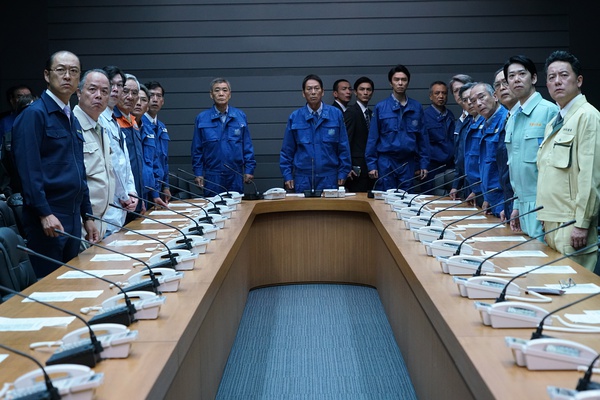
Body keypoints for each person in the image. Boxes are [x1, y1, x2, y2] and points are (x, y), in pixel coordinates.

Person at [12, 50, 99, 277]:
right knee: (50, 285)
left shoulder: (71, 118)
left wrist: (87, 216)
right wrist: (44, 213)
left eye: (74, 71)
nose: (67, 76)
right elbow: (28, 171)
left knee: (71, 282)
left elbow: (80, 170)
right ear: (47, 75)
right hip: (49, 217)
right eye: (61, 70)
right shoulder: (34, 115)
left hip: (73, 216)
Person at [536, 50, 600, 271]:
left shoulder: (587, 116)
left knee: (572, 286)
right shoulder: (554, 122)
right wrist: (543, 215)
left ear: (578, 80)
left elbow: (590, 176)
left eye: (564, 75)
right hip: (552, 220)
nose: (557, 81)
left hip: (572, 224)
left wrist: (582, 223)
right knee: (553, 284)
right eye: (551, 77)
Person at [504, 55, 558, 237]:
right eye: (511, 76)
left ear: (533, 78)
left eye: (522, 74)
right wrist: (516, 206)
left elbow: (555, 167)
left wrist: (550, 209)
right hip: (522, 205)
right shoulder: (512, 118)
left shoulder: (549, 111)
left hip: (544, 205)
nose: (516, 79)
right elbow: (515, 167)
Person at [280, 74, 351, 193]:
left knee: (329, 206)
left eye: (316, 88)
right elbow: (287, 150)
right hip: (303, 178)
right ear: (303, 93)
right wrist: (287, 175)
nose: (313, 92)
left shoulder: (335, 114)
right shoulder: (295, 117)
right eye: (309, 89)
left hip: (329, 178)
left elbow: (343, 147)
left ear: (322, 92)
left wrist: (343, 172)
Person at [365, 64, 430, 191]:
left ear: (408, 82)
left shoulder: (416, 107)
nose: (400, 83)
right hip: (386, 162)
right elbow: (372, 138)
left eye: (404, 80)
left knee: (406, 197)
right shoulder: (381, 107)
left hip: (408, 162)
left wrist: (423, 163)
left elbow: (423, 138)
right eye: (396, 80)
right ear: (391, 83)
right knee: (386, 197)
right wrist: (371, 165)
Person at [192, 78, 256, 194]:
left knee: (237, 205)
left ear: (229, 94)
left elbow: (247, 146)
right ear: (211, 94)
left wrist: (249, 169)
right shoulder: (202, 118)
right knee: (213, 205)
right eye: (217, 90)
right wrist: (198, 173)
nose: (221, 94)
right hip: (212, 176)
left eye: (224, 90)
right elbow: (197, 149)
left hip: (235, 174)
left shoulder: (240, 116)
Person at [73, 69, 115, 241]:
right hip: (81, 223)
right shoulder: (71, 126)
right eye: (92, 89)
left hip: (101, 221)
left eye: (104, 91)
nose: (99, 95)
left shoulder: (101, 128)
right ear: (78, 93)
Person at [99, 65, 138, 236]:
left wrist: (132, 192)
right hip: (106, 209)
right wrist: (125, 196)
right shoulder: (98, 119)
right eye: (111, 84)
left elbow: (125, 164)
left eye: (119, 85)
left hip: (121, 208)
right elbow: (111, 164)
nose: (115, 89)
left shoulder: (114, 121)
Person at [469, 82, 507, 216]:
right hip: (493, 200)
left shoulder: (505, 120)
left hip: (504, 200)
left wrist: (508, 205)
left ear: (495, 96)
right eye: (473, 101)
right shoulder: (486, 123)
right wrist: (487, 198)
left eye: (482, 97)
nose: (478, 104)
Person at [115, 74, 145, 221]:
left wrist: (142, 197)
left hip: (135, 197)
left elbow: (137, 165)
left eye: (134, 93)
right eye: (125, 91)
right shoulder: (111, 120)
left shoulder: (134, 121)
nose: (130, 97)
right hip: (120, 201)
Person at [132, 84, 164, 208]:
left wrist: (155, 194)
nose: (139, 103)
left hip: (147, 192)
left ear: (147, 106)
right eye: (137, 99)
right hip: (130, 194)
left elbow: (154, 163)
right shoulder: (123, 128)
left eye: (144, 100)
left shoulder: (149, 131)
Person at [493, 68, 518, 222]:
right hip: (510, 200)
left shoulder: (543, 112)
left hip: (530, 205)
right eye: (498, 85)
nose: (502, 88)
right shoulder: (509, 117)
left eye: (505, 82)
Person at [421, 80, 455, 193]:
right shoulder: (424, 116)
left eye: (444, 93)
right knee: (431, 197)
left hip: (450, 166)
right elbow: (420, 143)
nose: (441, 96)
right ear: (430, 96)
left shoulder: (450, 115)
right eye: (437, 93)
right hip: (432, 167)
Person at [343, 76, 375, 192]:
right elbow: (346, 141)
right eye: (362, 89)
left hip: (369, 167)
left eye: (368, 89)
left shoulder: (371, 113)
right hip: (356, 169)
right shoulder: (351, 113)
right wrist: (347, 166)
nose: (365, 92)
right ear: (355, 92)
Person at [145, 80, 171, 204]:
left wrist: (166, 186)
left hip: (159, 188)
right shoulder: (139, 125)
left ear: (163, 101)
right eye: (151, 95)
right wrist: (154, 192)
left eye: (158, 96)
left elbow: (164, 160)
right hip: (146, 190)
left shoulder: (161, 127)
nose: (155, 99)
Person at [448, 74, 474, 200]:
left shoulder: (478, 117)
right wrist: (456, 185)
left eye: (463, 89)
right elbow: (459, 157)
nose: (460, 93)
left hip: (478, 183)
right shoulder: (460, 120)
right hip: (465, 182)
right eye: (456, 91)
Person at [460, 83, 485, 207]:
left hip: (485, 189)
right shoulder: (469, 123)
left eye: (472, 99)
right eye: (466, 100)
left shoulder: (487, 121)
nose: (470, 103)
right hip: (472, 185)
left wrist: (478, 190)